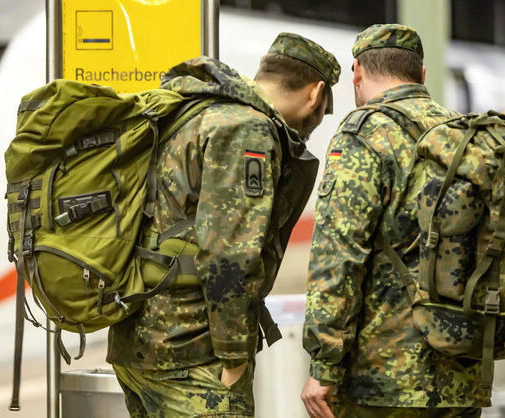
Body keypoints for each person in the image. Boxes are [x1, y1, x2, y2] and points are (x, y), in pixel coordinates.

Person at [107, 33, 341, 417]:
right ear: (315, 95)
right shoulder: (247, 129)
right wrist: (233, 358)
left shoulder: (193, 111)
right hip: (191, 353)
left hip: (137, 340)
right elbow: (230, 254)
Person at [302, 24, 489, 418]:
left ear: (356, 72)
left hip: (383, 382)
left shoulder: (364, 133)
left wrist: (324, 365)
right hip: (462, 374)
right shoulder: (464, 133)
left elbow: (338, 253)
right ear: (421, 75)